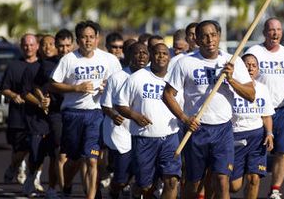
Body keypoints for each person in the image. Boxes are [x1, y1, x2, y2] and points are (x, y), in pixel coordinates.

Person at [163, 20, 255, 199]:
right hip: (196, 130)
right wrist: (184, 118)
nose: (210, 39)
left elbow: (251, 94)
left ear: (219, 36)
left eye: (213, 35)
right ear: (196, 40)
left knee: (222, 180)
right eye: (204, 36)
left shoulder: (231, 61)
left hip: (223, 130)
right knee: (194, 183)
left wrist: (231, 79)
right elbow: (167, 94)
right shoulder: (185, 63)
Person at [50, 20, 121, 199]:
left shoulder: (109, 59)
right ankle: (65, 187)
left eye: (91, 37)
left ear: (97, 39)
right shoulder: (69, 59)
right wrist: (76, 88)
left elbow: (120, 84)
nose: (87, 41)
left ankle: (91, 196)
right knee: (72, 159)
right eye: (83, 37)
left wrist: (108, 88)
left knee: (92, 159)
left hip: (96, 113)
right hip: (72, 113)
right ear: (78, 40)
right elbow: (53, 84)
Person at [244, 17, 284, 199]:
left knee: (283, 152)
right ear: (264, 32)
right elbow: (242, 77)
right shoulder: (254, 51)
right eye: (271, 30)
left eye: (278, 30)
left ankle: (275, 190)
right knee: (256, 152)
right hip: (257, 112)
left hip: (281, 110)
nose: (275, 33)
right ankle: (251, 186)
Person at [116, 43, 181, 199]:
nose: (161, 57)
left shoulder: (176, 77)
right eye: (157, 53)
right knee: (146, 186)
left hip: (170, 138)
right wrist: (135, 116)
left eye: (165, 53)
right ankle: (135, 191)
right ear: (151, 55)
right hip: (144, 140)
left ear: (169, 57)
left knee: (171, 181)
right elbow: (120, 104)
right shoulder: (137, 77)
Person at [101, 42, 149, 199]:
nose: (141, 56)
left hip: (146, 134)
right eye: (137, 53)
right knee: (121, 179)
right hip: (123, 134)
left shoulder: (153, 77)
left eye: (144, 52)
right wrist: (114, 115)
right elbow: (105, 105)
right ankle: (114, 192)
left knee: (143, 178)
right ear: (129, 56)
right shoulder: (117, 78)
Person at [230, 53, 274, 199]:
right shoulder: (231, 87)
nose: (250, 68)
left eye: (254, 65)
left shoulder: (262, 89)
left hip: (257, 138)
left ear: (258, 70)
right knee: (234, 186)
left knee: (254, 179)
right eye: (246, 65)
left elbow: (266, 115)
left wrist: (269, 133)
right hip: (235, 137)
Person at [21, 34, 57, 196]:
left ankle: (52, 187)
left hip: (55, 116)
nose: (48, 47)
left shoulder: (61, 65)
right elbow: (25, 92)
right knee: (36, 152)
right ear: (39, 48)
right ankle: (30, 179)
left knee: (55, 154)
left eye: (51, 44)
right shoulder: (32, 68)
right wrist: (40, 102)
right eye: (44, 44)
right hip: (36, 118)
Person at [1, 34, 39, 186]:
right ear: (21, 46)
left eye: (31, 45)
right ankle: (13, 167)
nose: (28, 48)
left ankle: (33, 179)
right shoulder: (13, 66)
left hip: (37, 116)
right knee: (21, 149)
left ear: (37, 46)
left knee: (37, 149)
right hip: (19, 115)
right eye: (25, 45)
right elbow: (4, 88)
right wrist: (13, 95)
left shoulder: (42, 65)